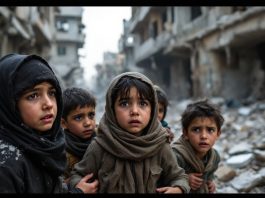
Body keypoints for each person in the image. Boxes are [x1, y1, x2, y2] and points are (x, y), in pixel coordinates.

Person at [69, 72, 190, 193]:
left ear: (152, 109)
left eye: (143, 103)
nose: (134, 111)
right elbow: (77, 175)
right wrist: (81, 188)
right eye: (124, 104)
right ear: (111, 109)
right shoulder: (101, 146)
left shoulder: (160, 145)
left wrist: (178, 188)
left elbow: (179, 176)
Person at [0, 53, 97, 193]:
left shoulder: (43, 144)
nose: (48, 104)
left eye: (51, 93)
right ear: (10, 103)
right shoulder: (7, 164)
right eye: (33, 95)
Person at [171, 99, 224, 193]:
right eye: (196, 130)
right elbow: (163, 180)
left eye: (210, 130)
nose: (203, 136)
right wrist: (184, 180)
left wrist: (210, 183)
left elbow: (209, 175)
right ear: (185, 133)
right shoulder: (176, 155)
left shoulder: (214, 157)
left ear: (218, 134)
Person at [61, 87, 98, 185]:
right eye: (78, 118)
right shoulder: (61, 152)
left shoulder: (104, 139)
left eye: (91, 115)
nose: (87, 123)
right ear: (64, 123)